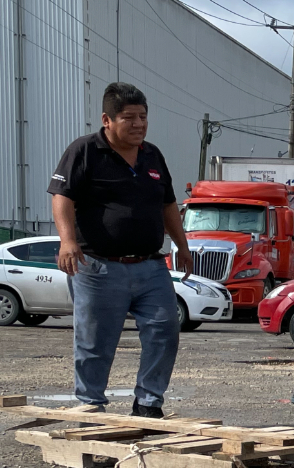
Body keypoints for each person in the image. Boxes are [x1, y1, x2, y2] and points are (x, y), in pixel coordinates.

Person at [48, 82, 193, 418]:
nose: (139, 124)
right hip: (98, 265)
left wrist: (181, 245)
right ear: (107, 120)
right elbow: (62, 197)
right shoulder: (83, 151)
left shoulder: (153, 155)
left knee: (164, 329)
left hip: (150, 266)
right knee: (95, 340)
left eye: (143, 116)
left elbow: (168, 203)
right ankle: (91, 405)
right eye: (129, 118)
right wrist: (68, 241)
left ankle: (148, 403)